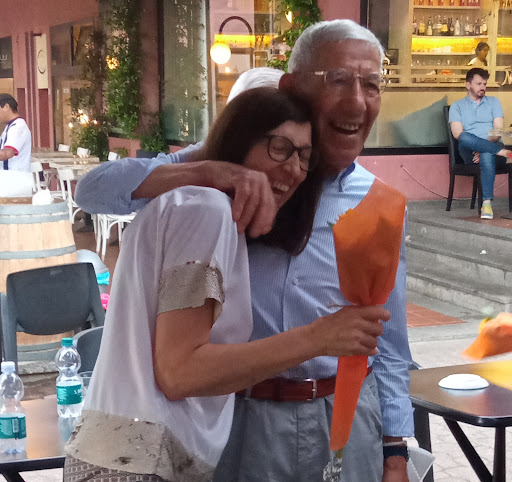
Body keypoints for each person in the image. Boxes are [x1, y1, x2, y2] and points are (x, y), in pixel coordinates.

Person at [75, 20, 414, 482]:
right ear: (293, 86)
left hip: (345, 416)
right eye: (338, 80)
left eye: (372, 84)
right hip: (240, 414)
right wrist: (210, 171)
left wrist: (395, 452)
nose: (357, 101)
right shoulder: (238, 162)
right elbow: (93, 190)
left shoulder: (382, 203)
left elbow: (389, 344)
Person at [449, 68, 512, 220]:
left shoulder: (494, 102)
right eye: (479, 84)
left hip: (492, 146)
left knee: (486, 154)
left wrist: (483, 147)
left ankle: (487, 203)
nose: (483, 87)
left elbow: (498, 130)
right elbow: (457, 134)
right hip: (469, 151)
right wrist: (481, 147)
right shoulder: (457, 106)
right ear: (468, 85)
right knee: (464, 137)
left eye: (484, 84)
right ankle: (501, 152)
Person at [0, 93, 31, 171]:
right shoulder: (10, 126)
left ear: (6, 106)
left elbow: (7, 153)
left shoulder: (18, 127)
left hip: (15, 176)